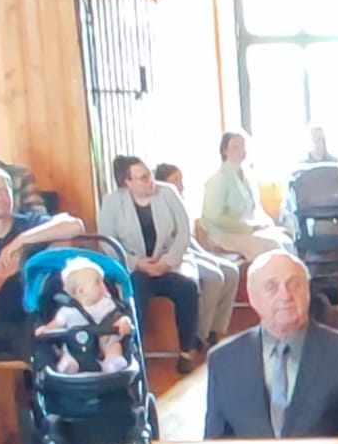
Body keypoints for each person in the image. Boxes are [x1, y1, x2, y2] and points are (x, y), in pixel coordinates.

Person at [203, 250, 338, 439]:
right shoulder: (223, 360)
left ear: (308, 291)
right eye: (271, 287)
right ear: (252, 297)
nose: (285, 295)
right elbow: (215, 442)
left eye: (295, 285)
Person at [0, 162, 82, 364]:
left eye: (3, 190)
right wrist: (3, 274)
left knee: (45, 357)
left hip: (31, 321)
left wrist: (21, 240)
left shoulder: (31, 225)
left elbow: (75, 225)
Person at [96, 155, 205, 371]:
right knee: (136, 289)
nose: (150, 181)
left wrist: (166, 262)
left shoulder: (168, 193)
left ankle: (187, 350)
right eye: (143, 178)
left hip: (167, 265)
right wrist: (137, 263)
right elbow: (108, 242)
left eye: (149, 175)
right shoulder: (112, 202)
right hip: (135, 269)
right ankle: (134, 351)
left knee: (188, 288)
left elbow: (184, 232)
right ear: (128, 182)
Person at [152, 164, 239, 347]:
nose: (181, 184)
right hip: (175, 255)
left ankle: (216, 328)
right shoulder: (159, 203)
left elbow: (188, 238)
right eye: (175, 180)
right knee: (214, 277)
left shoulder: (180, 200)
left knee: (231, 271)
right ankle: (199, 333)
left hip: (190, 249)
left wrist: (208, 256)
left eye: (181, 179)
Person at [197, 129, 289, 261]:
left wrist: (264, 224)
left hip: (248, 229)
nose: (241, 151)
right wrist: (247, 227)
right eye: (235, 147)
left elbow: (255, 209)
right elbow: (214, 217)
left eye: (243, 146)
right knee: (272, 246)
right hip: (224, 233)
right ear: (225, 151)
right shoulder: (218, 180)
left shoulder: (247, 176)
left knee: (285, 240)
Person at [36, 256, 132, 373]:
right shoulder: (67, 311)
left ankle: (113, 362)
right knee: (67, 354)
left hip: (103, 347)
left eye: (102, 281)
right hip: (75, 349)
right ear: (80, 291)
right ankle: (68, 366)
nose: (103, 286)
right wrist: (45, 329)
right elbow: (56, 324)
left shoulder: (107, 304)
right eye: (97, 282)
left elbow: (118, 316)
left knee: (114, 345)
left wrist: (124, 322)